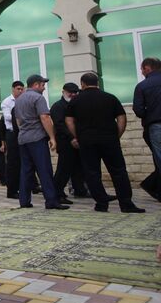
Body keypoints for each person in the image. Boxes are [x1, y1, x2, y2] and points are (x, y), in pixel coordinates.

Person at [66, 72, 145, 213]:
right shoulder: (110, 98)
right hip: (109, 139)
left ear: (82, 84)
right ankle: (126, 204)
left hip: (87, 141)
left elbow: (69, 120)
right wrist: (117, 135)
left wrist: (78, 136)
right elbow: (121, 118)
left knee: (92, 173)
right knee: (119, 171)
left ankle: (101, 204)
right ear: (97, 83)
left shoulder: (75, 101)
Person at [15, 75, 69, 210]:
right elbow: (44, 117)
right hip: (37, 138)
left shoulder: (19, 99)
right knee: (44, 169)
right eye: (42, 85)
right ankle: (51, 201)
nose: (44, 88)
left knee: (26, 170)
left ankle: (24, 201)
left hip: (23, 138)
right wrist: (52, 137)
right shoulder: (38, 98)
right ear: (36, 85)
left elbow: (18, 120)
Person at [50, 83, 86, 201]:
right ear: (63, 92)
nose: (73, 94)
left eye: (75, 92)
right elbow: (60, 125)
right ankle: (57, 192)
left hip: (77, 141)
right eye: (70, 92)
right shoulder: (58, 106)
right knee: (64, 169)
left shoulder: (76, 104)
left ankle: (80, 190)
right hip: (65, 142)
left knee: (78, 168)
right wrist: (71, 138)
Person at [133, 57, 161, 201]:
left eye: (142, 69)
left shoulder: (142, 86)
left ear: (147, 68)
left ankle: (152, 185)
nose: (141, 72)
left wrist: (149, 113)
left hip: (156, 125)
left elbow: (138, 110)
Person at [1, 81, 25, 199]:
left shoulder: (24, 100)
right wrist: (21, 117)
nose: (20, 91)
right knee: (13, 163)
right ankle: (12, 190)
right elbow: (7, 117)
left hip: (22, 132)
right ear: (13, 89)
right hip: (12, 134)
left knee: (24, 161)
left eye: (22, 89)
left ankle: (27, 186)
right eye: (18, 89)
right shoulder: (7, 102)